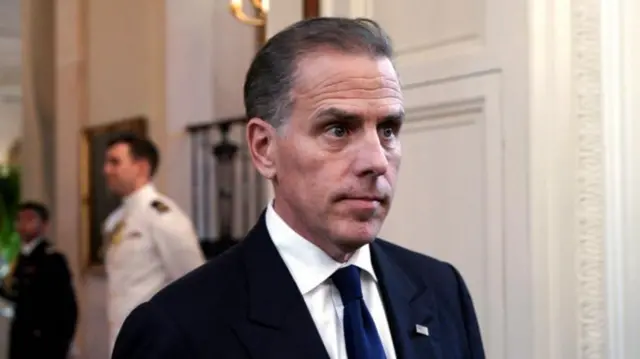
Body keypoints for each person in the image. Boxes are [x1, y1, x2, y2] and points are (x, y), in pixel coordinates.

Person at [112, 17, 485, 359]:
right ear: (263, 148)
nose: (376, 160)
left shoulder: (441, 289)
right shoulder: (176, 329)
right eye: (338, 129)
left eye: (388, 130)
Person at [102, 133, 205, 351]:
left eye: (115, 162)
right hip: (123, 341)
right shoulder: (115, 220)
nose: (106, 170)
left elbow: (195, 283)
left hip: (156, 345)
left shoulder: (162, 216)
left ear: (141, 167)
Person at [0, 201, 78, 359]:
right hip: (22, 341)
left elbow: (67, 306)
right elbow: (17, 297)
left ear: (44, 225)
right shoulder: (21, 259)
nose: (23, 224)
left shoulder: (52, 259)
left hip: (45, 343)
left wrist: (62, 343)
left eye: (30, 219)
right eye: (20, 219)